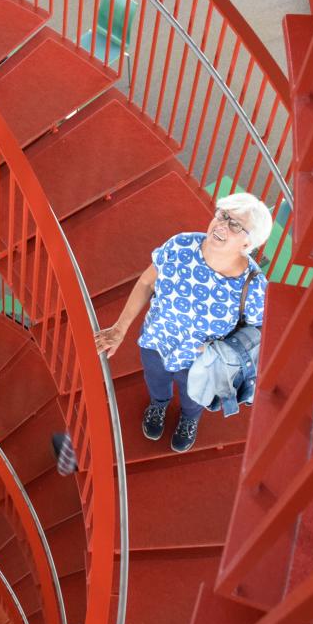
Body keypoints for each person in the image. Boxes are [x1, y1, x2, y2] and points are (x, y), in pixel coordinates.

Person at [94, 193, 273, 453]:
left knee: (192, 399)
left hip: (201, 363)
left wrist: (225, 350)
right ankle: (159, 402)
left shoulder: (254, 286)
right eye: (223, 215)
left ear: (248, 244)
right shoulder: (180, 246)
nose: (222, 225)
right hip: (156, 341)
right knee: (155, 379)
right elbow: (146, 282)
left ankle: (190, 418)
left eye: (235, 225)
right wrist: (120, 328)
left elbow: (259, 331)